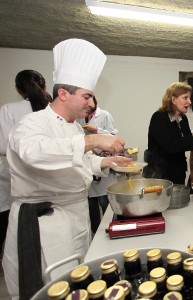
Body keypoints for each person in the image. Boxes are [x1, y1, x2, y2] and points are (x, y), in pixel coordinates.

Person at [2, 39, 132, 300]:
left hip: (75, 215)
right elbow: (34, 153)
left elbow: (76, 163)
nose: (91, 104)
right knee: (52, 289)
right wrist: (93, 140)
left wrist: (105, 162)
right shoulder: (32, 123)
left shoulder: (72, 126)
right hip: (45, 224)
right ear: (63, 94)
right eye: (86, 96)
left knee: (77, 283)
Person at [0, 70, 50, 257]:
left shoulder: (9, 110)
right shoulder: (49, 110)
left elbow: (4, 147)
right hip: (48, 184)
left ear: (17, 89)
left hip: (21, 183)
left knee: (27, 242)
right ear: (44, 87)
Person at [144, 82, 193, 184]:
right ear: (173, 99)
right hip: (160, 175)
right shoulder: (159, 117)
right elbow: (169, 146)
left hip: (178, 173)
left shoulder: (183, 118)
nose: (190, 102)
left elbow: (188, 145)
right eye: (185, 98)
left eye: (189, 98)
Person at [77, 96, 119, 233]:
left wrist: (96, 131)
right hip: (86, 162)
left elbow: (114, 136)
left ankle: (111, 229)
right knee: (91, 206)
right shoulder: (78, 118)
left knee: (105, 202)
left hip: (102, 163)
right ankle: (96, 232)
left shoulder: (105, 115)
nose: (88, 104)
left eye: (91, 100)